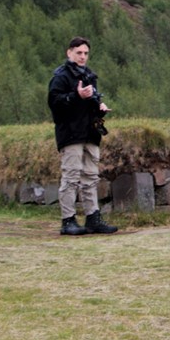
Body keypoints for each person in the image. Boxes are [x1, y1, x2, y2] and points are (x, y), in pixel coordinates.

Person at [47, 37, 118, 235]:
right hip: (70, 134)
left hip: (90, 133)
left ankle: (92, 217)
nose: (83, 57)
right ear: (69, 53)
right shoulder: (60, 77)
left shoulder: (89, 76)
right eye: (79, 52)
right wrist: (76, 96)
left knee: (91, 177)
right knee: (71, 177)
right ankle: (67, 220)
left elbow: (91, 102)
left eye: (86, 53)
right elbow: (55, 103)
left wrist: (100, 107)